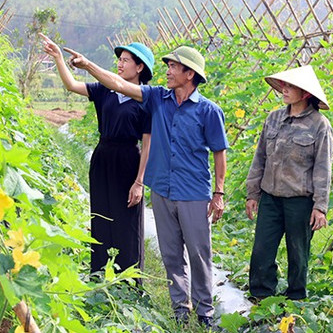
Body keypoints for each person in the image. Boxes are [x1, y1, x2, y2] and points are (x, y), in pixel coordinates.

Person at [62, 44, 228, 329]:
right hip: (162, 189)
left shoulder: (209, 111)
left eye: (174, 67)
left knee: (199, 254)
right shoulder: (156, 98)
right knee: (171, 253)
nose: (168, 71)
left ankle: (205, 312)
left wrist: (219, 193)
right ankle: (180, 308)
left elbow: (219, 152)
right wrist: (88, 65)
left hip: (193, 192)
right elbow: (115, 83)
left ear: (190, 74)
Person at [40, 33, 153, 277]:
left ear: (140, 67)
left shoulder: (146, 99)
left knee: (127, 221)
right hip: (103, 156)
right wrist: (59, 57)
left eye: (125, 60)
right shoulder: (104, 90)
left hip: (128, 160)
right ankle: (99, 273)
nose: (120, 64)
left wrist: (139, 181)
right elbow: (71, 85)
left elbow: (147, 143)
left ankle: (129, 280)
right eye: (119, 60)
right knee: (101, 215)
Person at [245, 65, 333, 301]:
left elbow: (323, 168)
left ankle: (296, 300)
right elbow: (260, 157)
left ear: (305, 94)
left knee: (298, 254)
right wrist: (252, 194)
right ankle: (261, 297)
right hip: (270, 198)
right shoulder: (273, 118)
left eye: (291, 85)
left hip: (300, 202)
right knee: (262, 250)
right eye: (284, 84)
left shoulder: (319, 125)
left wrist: (320, 206)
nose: (284, 88)